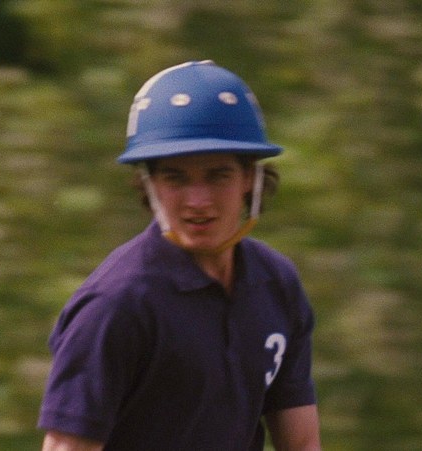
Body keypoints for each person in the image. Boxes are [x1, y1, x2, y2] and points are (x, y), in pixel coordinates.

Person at [38, 60, 321, 450]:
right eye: (176, 177)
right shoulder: (117, 304)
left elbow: (302, 443)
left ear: (249, 179)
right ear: (149, 185)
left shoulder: (276, 283)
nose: (198, 201)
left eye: (218, 175)